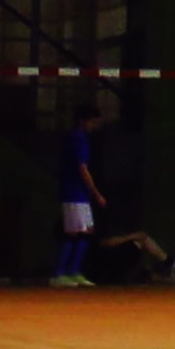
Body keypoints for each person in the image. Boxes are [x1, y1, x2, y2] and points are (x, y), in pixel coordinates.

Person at [50, 93, 112, 286]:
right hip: (73, 192)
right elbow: (82, 168)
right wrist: (97, 193)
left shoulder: (80, 138)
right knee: (73, 232)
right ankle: (58, 274)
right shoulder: (78, 138)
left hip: (79, 194)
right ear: (83, 120)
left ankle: (73, 271)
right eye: (92, 121)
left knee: (86, 232)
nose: (95, 125)